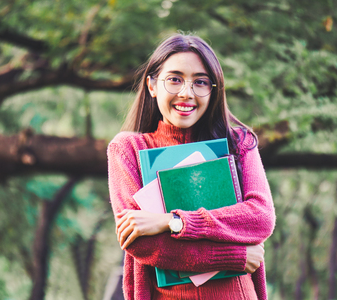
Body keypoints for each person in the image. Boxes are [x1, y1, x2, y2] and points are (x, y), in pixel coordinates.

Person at [107, 34, 276, 300]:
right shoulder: (129, 150)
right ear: (152, 85)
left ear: (213, 90)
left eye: (200, 82)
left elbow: (260, 218)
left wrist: (171, 222)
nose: (187, 93)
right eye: (174, 79)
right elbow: (141, 242)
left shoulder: (239, 143)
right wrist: (234, 255)